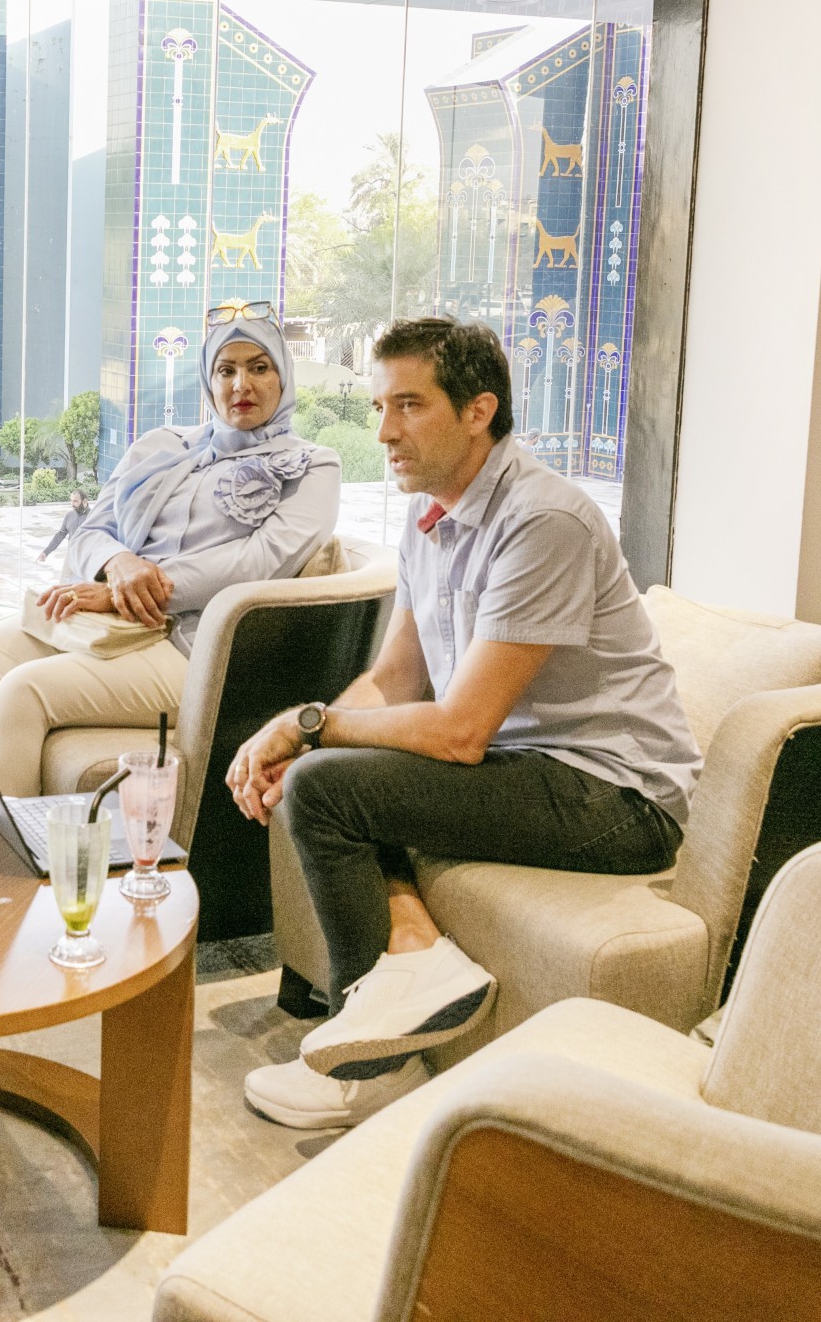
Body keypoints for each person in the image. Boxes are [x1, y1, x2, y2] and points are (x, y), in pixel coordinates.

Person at [224, 316, 699, 1131]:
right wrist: (309, 730)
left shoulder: (544, 520)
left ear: (480, 410)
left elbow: (458, 732)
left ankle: (367, 1070)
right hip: (523, 767)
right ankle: (416, 960)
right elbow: (392, 679)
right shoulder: (427, 516)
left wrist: (308, 728)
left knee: (328, 789)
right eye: (379, 405)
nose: (384, 431)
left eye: (409, 405)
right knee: (325, 773)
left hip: (616, 797)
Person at [0, 304, 340, 796]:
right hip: (103, 623)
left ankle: (0, 871)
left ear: (284, 376)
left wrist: (127, 591)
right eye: (225, 369)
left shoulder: (312, 465)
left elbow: (261, 562)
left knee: (22, 693)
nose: (240, 385)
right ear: (208, 380)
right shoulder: (162, 445)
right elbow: (90, 530)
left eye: (259, 367)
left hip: (191, 648)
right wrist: (117, 564)